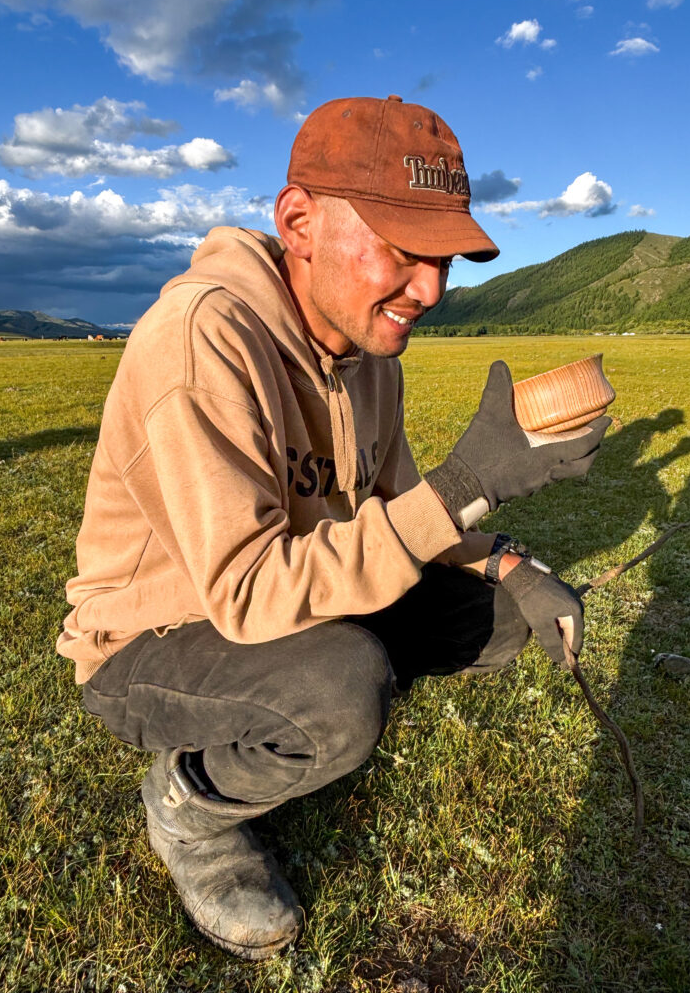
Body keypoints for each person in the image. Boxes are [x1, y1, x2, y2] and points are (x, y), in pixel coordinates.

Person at [59, 95, 610, 960]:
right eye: (403, 250)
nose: (430, 290)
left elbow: (402, 511)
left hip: (292, 601)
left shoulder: (367, 355)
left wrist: (507, 564)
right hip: (155, 639)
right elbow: (246, 592)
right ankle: (190, 807)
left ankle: (337, 685)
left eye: (443, 260)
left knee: (494, 617)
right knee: (339, 688)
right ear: (299, 223)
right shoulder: (201, 338)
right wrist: (468, 485)